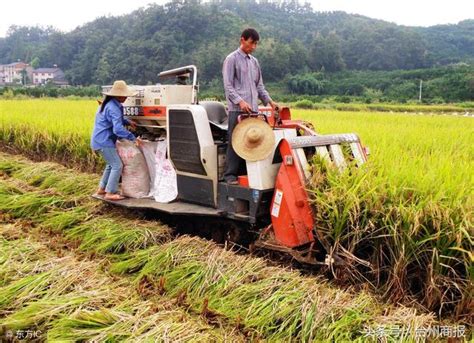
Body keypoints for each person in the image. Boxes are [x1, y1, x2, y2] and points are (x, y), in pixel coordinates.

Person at [222, 28, 279, 184]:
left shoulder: (254, 62)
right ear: (242, 40)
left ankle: (246, 174)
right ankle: (230, 176)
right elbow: (228, 86)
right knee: (235, 141)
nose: (253, 47)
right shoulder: (231, 59)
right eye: (251, 43)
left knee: (251, 142)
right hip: (237, 109)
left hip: (253, 110)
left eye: (255, 44)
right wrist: (240, 101)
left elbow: (259, 87)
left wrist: (270, 102)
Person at [90, 80, 140, 200]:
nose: (126, 97)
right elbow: (117, 130)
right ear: (118, 95)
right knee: (117, 165)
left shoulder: (108, 104)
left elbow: (115, 119)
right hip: (104, 141)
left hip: (99, 140)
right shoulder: (113, 107)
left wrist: (128, 121)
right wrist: (133, 138)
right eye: (124, 95)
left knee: (110, 164)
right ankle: (110, 193)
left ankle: (102, 189)